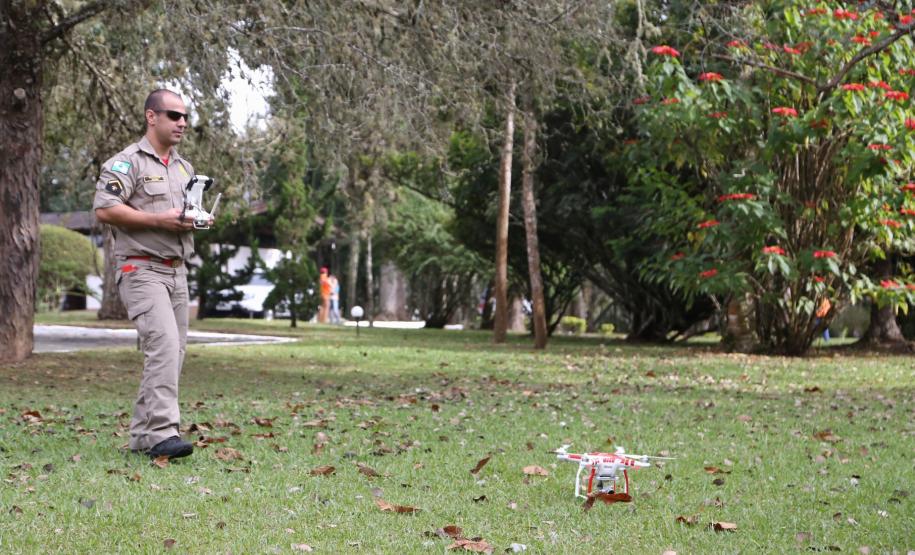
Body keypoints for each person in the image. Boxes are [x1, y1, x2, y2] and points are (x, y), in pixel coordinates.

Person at [93, 89, 208, 459]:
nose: (182, 123)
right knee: (162, 347)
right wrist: (159, 219)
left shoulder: (184, 168)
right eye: (174, 115)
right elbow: (106, 208)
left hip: (177, 272)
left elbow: (183, 214)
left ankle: (144, 435)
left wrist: (197, 220)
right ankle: (162, 433)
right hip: (141, 268)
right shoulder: (128, 164)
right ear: (151, 117)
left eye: (185, 117)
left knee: (174, 352)